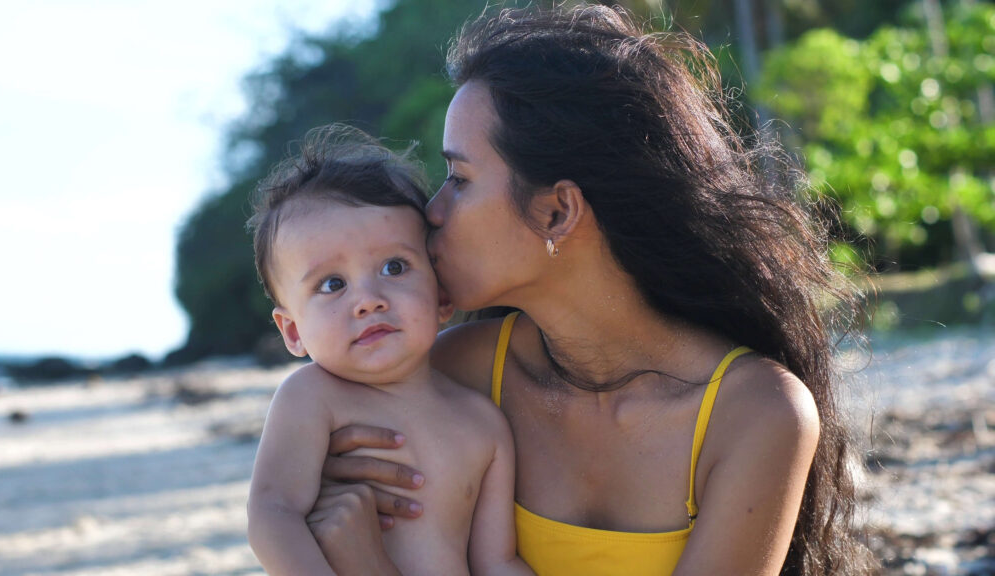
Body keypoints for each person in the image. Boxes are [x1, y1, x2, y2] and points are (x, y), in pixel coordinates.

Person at [309, 4, 877, 576]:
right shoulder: (453, 377)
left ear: (558, 212)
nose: (432, 212)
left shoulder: (753, 413)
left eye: (459, 180)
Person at [244, 125, 533, 576]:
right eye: (332, 284)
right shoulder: (311, 398)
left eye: (394, 267)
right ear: (293, 330)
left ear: (440, 295)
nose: (369, 299)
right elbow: (273, 516)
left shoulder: (483, 424)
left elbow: (496, 561)